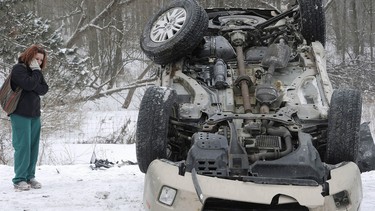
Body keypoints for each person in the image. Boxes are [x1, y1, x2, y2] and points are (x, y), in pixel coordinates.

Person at [10, 44, 49, 191]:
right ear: (29, 56)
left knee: (33, 147)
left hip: (34, 114)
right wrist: (34, 78)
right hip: (19, 113)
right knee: (22, 147)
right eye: (36, 59)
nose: (39, 62)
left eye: (41, 60)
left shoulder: (36, 72)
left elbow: (44, 89)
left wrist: (34, 79)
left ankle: (30, 177)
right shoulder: (18, 69)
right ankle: (19, 179)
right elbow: (29, 84)